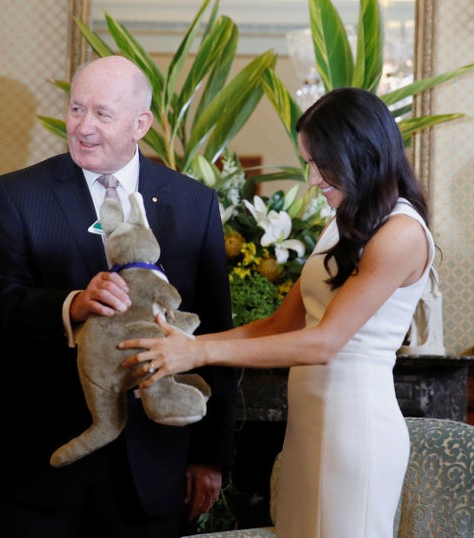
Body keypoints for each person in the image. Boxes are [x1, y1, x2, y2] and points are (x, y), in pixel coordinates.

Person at [122, 87, 435, 538]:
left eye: (319, 163)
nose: (312, 179)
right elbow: (279, 324)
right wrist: (187, 345)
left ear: (358, 154)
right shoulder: (344, 221)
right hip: (311, 423)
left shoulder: (400, 233)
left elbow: (324, 343)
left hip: (355, 431)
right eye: (309, 162)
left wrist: (198, 357)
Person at [0, 55, 238, 538]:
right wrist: (71, 305)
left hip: (152, 461)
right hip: (41, 457)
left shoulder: (194, 203)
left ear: (141, 123)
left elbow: (215, 331)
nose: (83, 127)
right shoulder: (19, 193)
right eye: (76, 109)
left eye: (102, 114)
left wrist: (209, 455)